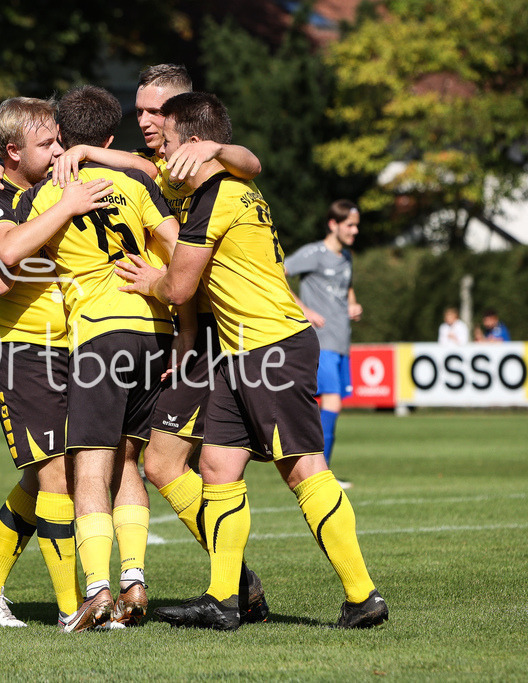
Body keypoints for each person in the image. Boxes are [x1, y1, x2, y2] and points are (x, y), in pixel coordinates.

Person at [116, 92, 387, 631]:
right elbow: (147, 167)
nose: (162, 154)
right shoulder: (223, 183)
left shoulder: (217, 198)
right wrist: (80, 152)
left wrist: (151, 280)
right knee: (217, 466)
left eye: (169, 143)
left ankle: (363, 597)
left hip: (272, 348)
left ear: (196, 146)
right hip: (240, 354)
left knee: (303, 468)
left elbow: (180, 283)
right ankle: (222, 600)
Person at [15, 85, 181, 632]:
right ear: (109, 137)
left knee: (90, 466)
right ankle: (134, 581)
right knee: (129, 462)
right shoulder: (135, 182)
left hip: (100, 336)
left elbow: (9, 252)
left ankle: (97, 590)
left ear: (60, 134)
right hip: (154, 331)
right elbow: (180, 246)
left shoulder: (47, 193)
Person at [0, 96, 115, 627]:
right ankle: (75, 610)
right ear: (11, 152)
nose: (58, 151)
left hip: (74, 348)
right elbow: (4, 258)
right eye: (46, 144)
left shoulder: (55, 182)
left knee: (53, 476)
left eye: (58, 141)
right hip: (21, 350)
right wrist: (68, 206)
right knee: (53, 479)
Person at [282, 200, 363, 481]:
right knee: (331, 402)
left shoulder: (347, 257)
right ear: (333, 224)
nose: (355, 230)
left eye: (356, 225)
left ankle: (319, 471)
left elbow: (348, 287)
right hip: (321, 342)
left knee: (332, 404)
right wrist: (303, 309)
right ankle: (321, 475)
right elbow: (277, 274)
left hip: (341, 341)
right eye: (350, 225)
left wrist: (353, 304)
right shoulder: (314, 253)